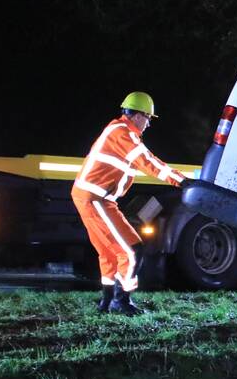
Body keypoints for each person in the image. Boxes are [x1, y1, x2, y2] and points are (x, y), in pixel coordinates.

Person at [71, 92, 187, 315]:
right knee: (133, 249)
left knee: (109, 252)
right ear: (137, 116)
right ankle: (121, 301)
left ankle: (106, 302)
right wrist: (181, 180)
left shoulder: (118, 131)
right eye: (148, 117)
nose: (149, 123)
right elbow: (147, 161)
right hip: (96, 199)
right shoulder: (123, 133)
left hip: (92, 197)